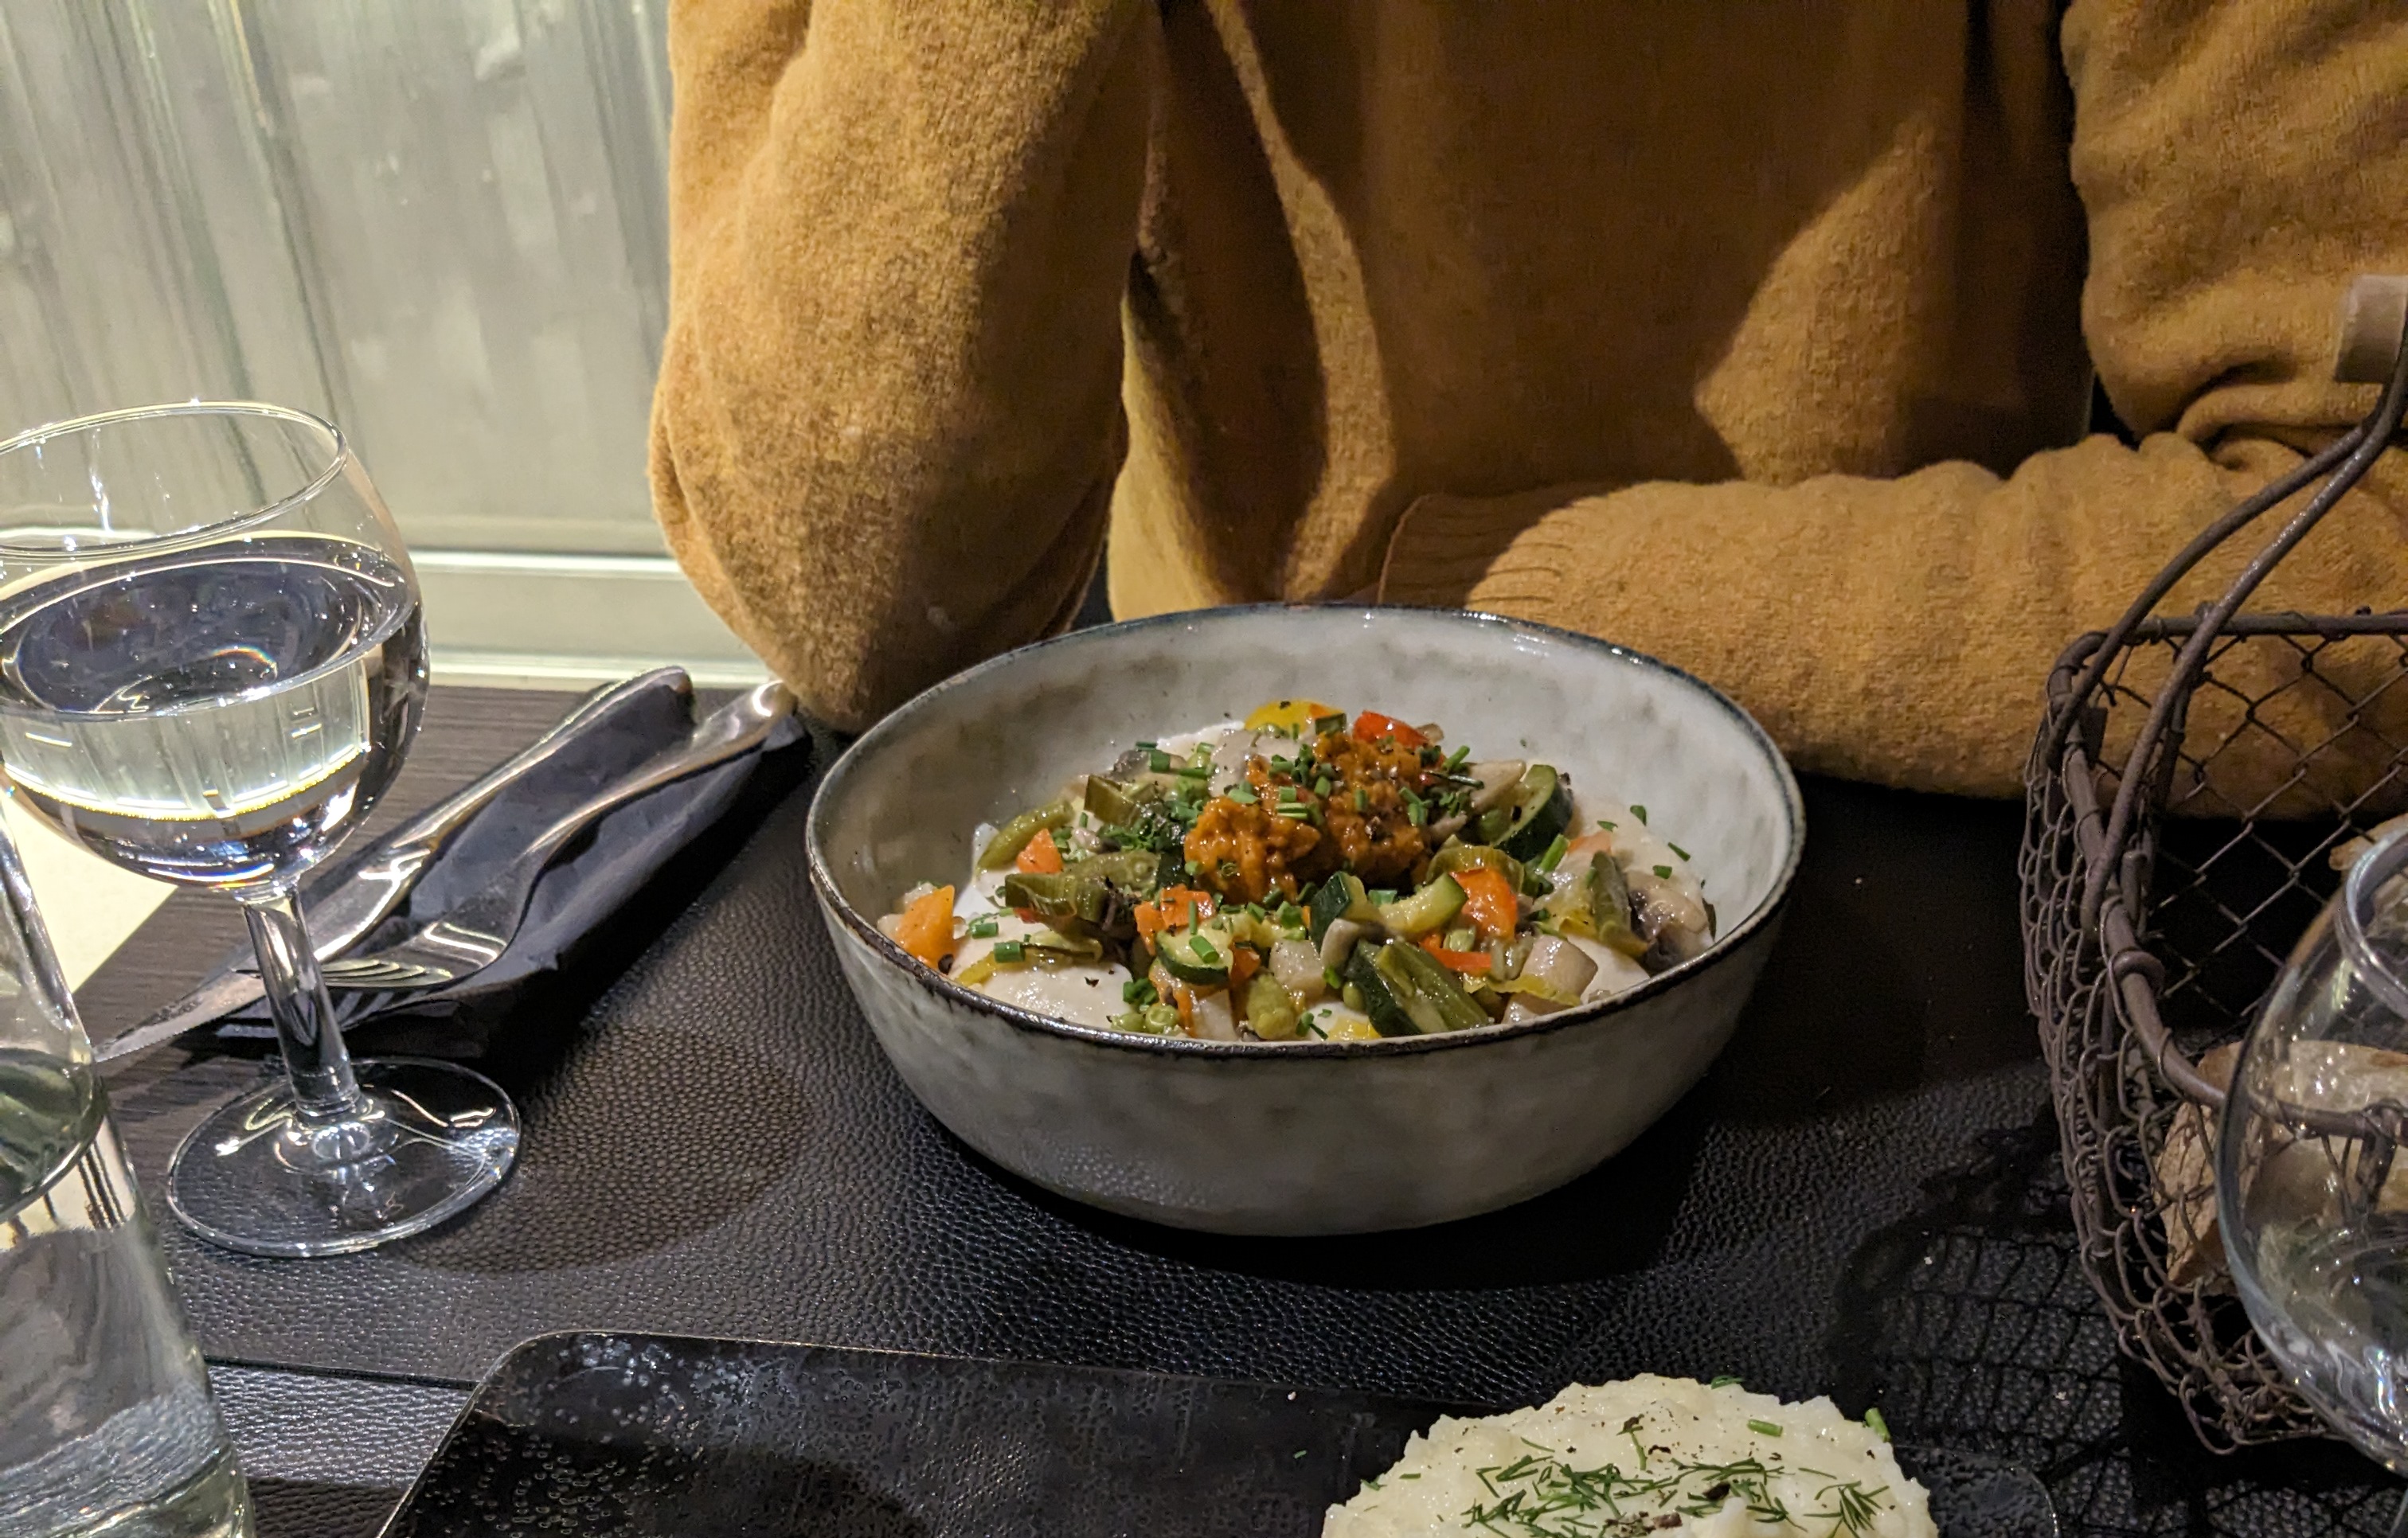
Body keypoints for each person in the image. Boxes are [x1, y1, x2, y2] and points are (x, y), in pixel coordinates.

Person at [649, 2, 2408, 794]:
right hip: (1201, 864)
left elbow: (2359, 563)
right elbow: (856, 603)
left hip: (1931, 883)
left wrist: (1470, 603)